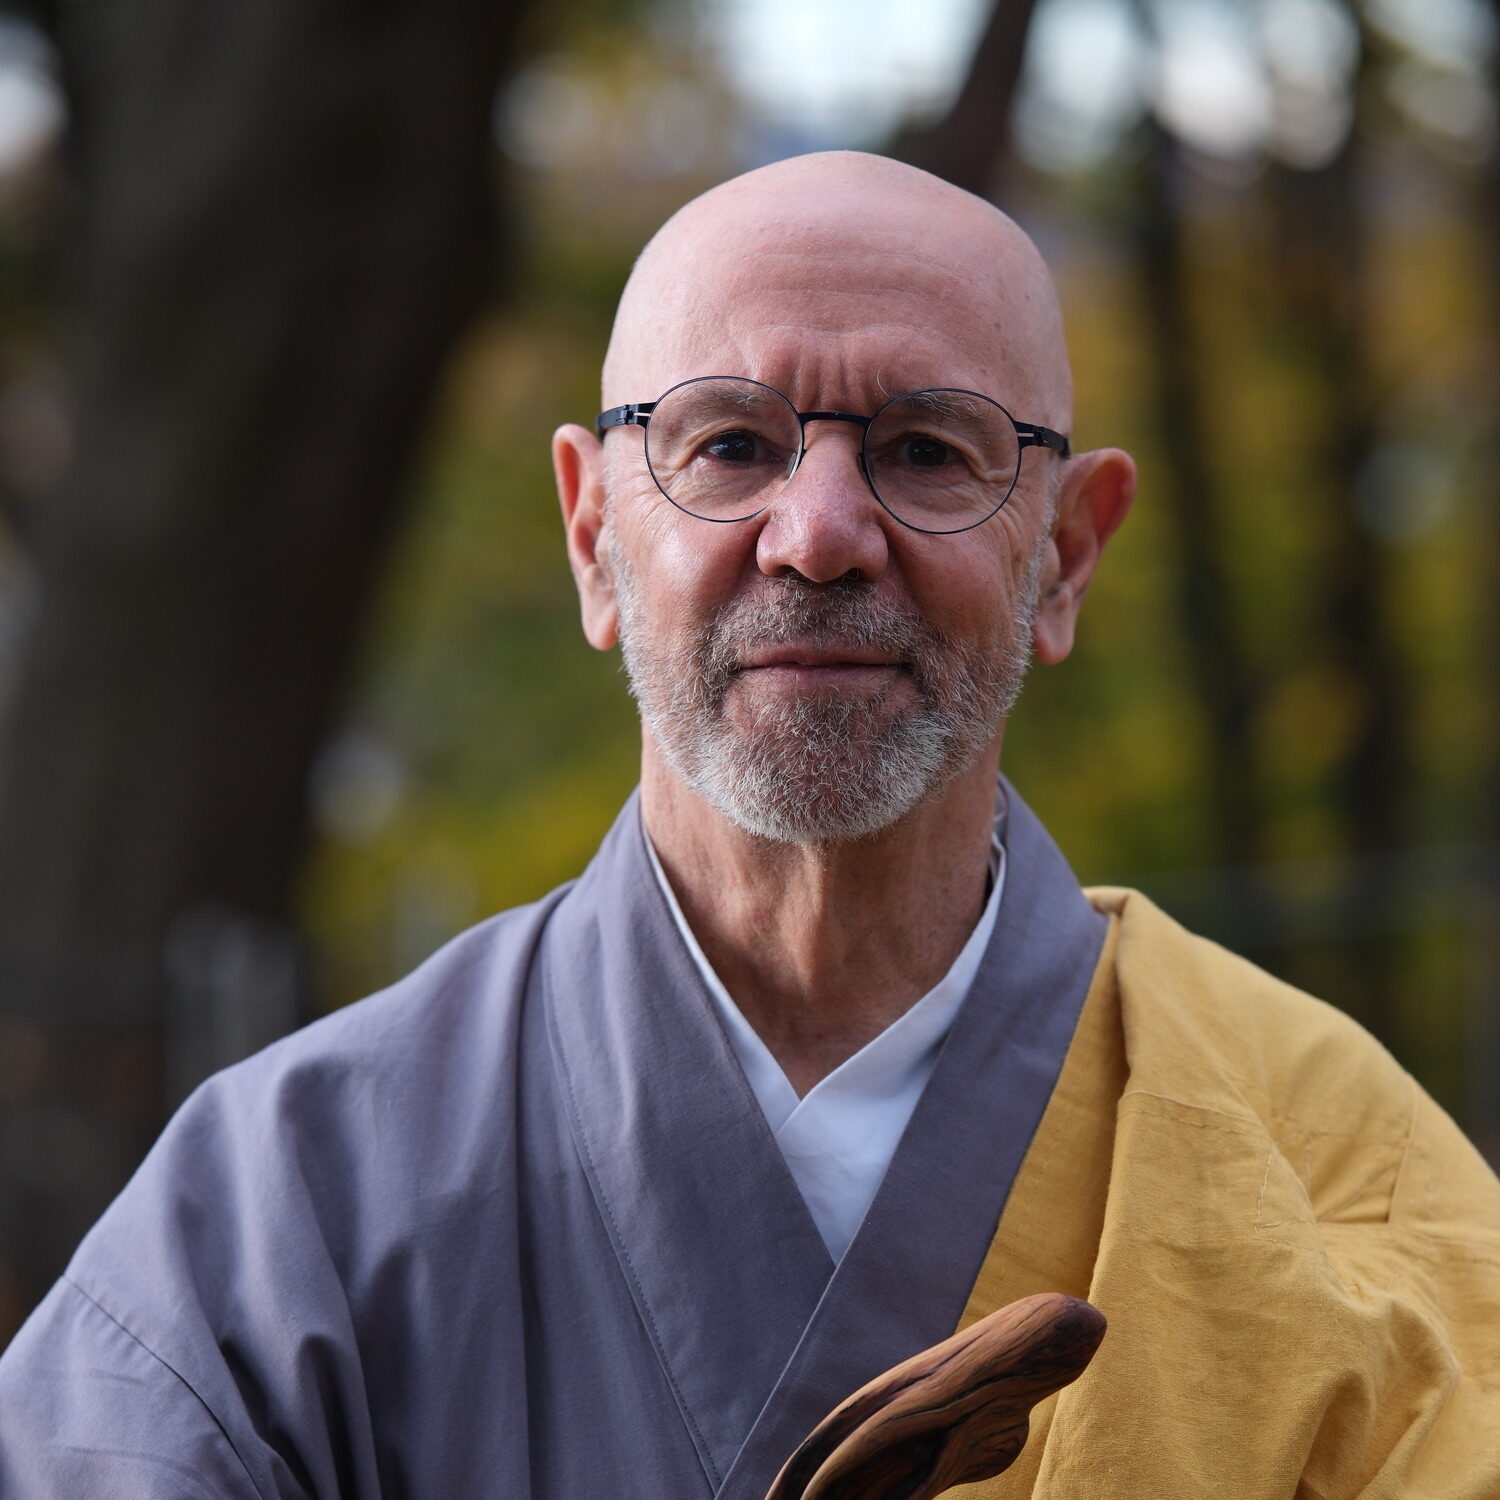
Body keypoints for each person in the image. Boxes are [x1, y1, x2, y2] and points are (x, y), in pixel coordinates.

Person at [2, 151, 1498, 1499]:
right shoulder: (288, 1215)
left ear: (1068, 555)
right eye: (727, 445)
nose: (822, 534)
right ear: (595, 540)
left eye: (927, 449)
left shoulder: (1343, 1186)